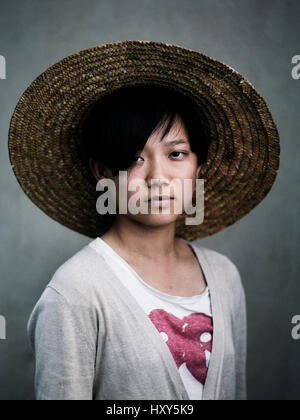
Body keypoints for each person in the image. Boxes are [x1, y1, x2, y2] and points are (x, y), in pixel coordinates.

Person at [8, 40, 280, 400]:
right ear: (103, 172)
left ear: (199, 166)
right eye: (134, 158)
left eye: (177, 154)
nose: (157, 177)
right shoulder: (74, 292)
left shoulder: (224, 276)